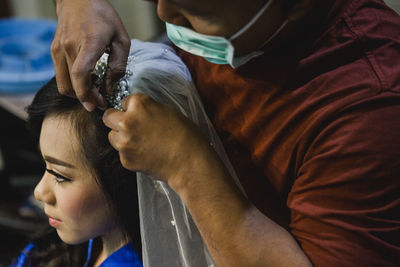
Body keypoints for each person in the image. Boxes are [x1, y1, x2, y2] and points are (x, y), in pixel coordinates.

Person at [51, 0, 400, 266]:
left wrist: (187, 165)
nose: (163, 14)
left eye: (195, 12)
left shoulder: (369, 115)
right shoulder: (239, 22)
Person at [10, 78, 142, 266]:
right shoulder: (57, 248)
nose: (39, 192)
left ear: (121, 179)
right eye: (46, 167)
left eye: (60, 176)